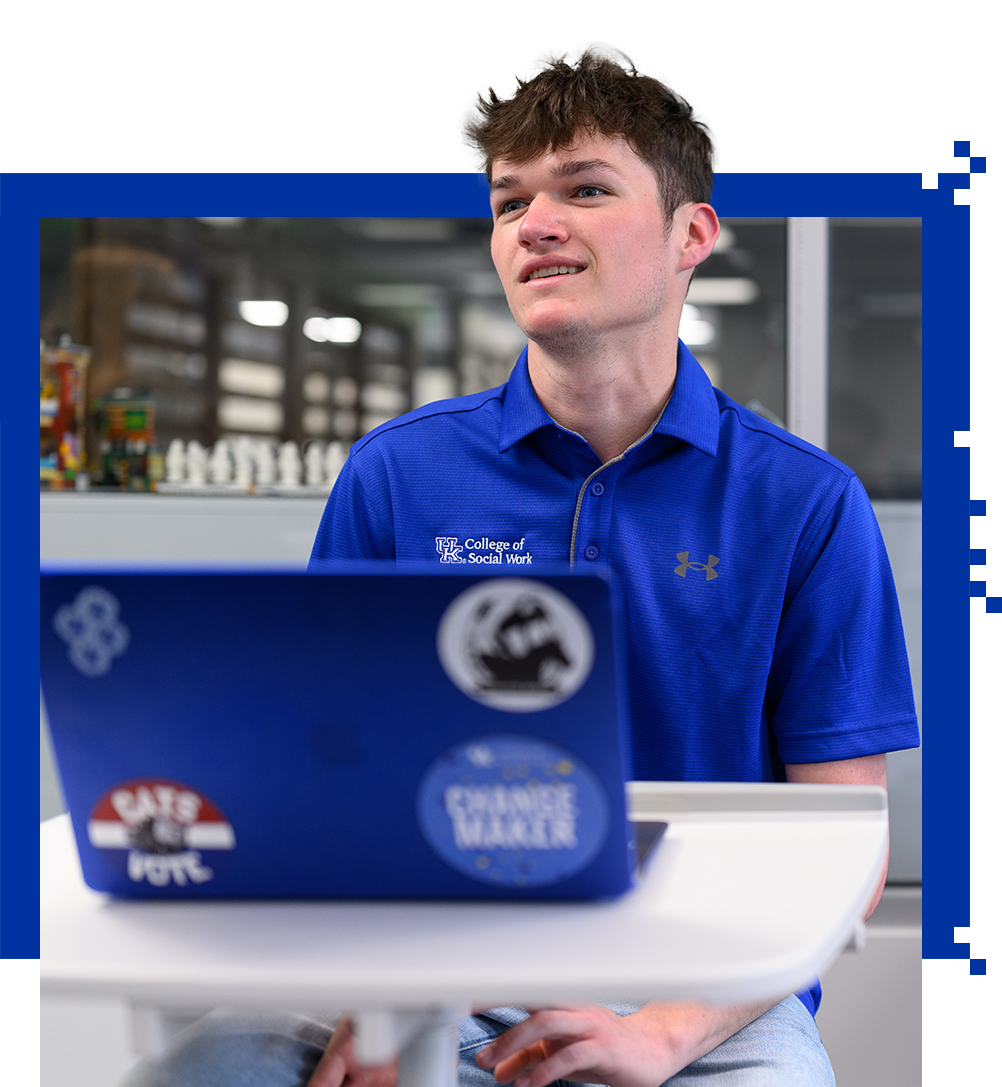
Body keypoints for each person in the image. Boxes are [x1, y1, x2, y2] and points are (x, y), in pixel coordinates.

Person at [123, 45, 919, 1087]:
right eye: (509, 202)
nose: (534, 223)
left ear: (692, 235)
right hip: (428, 968)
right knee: (210, 1069)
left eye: (584, 189)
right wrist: (378, 1001)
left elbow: (848, 847)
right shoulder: (399, 474)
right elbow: (330, 780)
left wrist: (664, 1032)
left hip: (699, 994)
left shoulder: (805, 503)